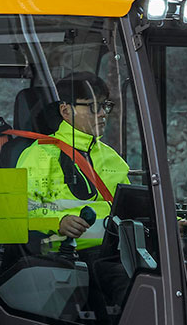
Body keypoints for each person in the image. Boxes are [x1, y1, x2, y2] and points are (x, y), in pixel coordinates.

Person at [10, 72, 130, 248]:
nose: (103, 113)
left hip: (115, 252)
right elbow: (13, 214)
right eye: (93, 106)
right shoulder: (38, 153)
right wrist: (59, 222)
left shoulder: (112, 157)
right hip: (65, 259)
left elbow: (131, 208)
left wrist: (174, 222)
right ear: (66, 111)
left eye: (104, 105)